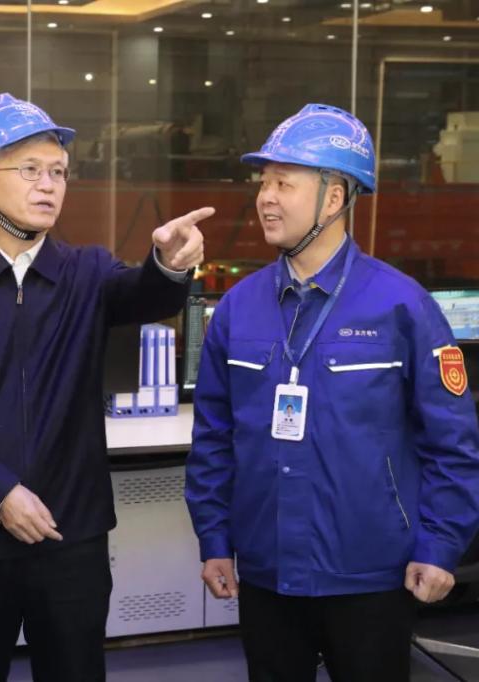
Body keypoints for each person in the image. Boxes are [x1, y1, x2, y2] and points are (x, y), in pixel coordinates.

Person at [0, 92, 211, 682]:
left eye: (59, 172)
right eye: (30, 170)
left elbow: (144, 293)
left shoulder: (87, 274)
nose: (48, 185)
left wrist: (170, 264)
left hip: (72, 538)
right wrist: (0, 493)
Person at [185, 103, 479, 682]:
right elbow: (213, 440)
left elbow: (453, 443)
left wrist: (440, 545)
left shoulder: (403, 306)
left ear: (334, 198)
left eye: (284, 183)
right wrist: (214, 539)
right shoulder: (238, 308)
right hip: (267, 571)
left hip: (372, 573)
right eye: (263, 183)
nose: (266, 198)